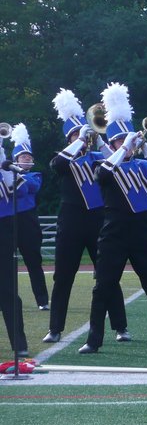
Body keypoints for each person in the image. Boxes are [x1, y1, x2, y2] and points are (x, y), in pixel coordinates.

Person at [78, 82, 147, 354]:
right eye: (121, 140)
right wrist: (122, 148)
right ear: (112, 144)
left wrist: (144, 148)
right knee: (104, 287)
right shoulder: (103, 162)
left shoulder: (144, 164)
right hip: (113, 231)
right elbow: (103, 175)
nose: (128, 144)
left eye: (128, 140)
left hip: (142, 232)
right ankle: (93, 340)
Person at [44, 89, 127, 344]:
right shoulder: (64, 158)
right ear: (69, 138)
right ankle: (55, 328)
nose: (82, 137)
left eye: (82, 133)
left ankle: (120, 327)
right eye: (74, 135)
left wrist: (99, 141)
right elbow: (56, 166)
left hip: (98, 220)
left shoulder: (99, 156)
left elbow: (118, 163)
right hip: (70, 221)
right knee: (63, 275)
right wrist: (78, 140)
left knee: (107, 274)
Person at [8, 124, 50, 311]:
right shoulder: (6, 175)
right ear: (15, 159)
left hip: (28, 222)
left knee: (33, 262)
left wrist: (13, 172)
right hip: (8, 221)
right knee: (5, 263)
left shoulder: (35, 175)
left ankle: (42, 300)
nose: (27, 159)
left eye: (29, 157)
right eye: (23, 157)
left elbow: (26, 189)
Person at [0, 141, 29, 357]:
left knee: (8, 290)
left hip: (4, 229)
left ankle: (19, 344)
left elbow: (22, 190)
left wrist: (2, 158)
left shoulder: (4, 169)